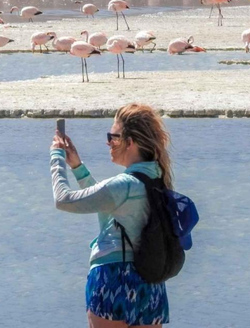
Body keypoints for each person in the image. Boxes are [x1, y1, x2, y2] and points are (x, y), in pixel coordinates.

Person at [50, 103, 175, 327]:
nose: (108, 142)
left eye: (113, 136)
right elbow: (109, 205)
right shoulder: (158, 179)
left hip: (113, 280)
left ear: (130, 142)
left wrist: (56, 157)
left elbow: (62, 199)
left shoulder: (124, 185)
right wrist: (78, 167)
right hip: (150, 282)